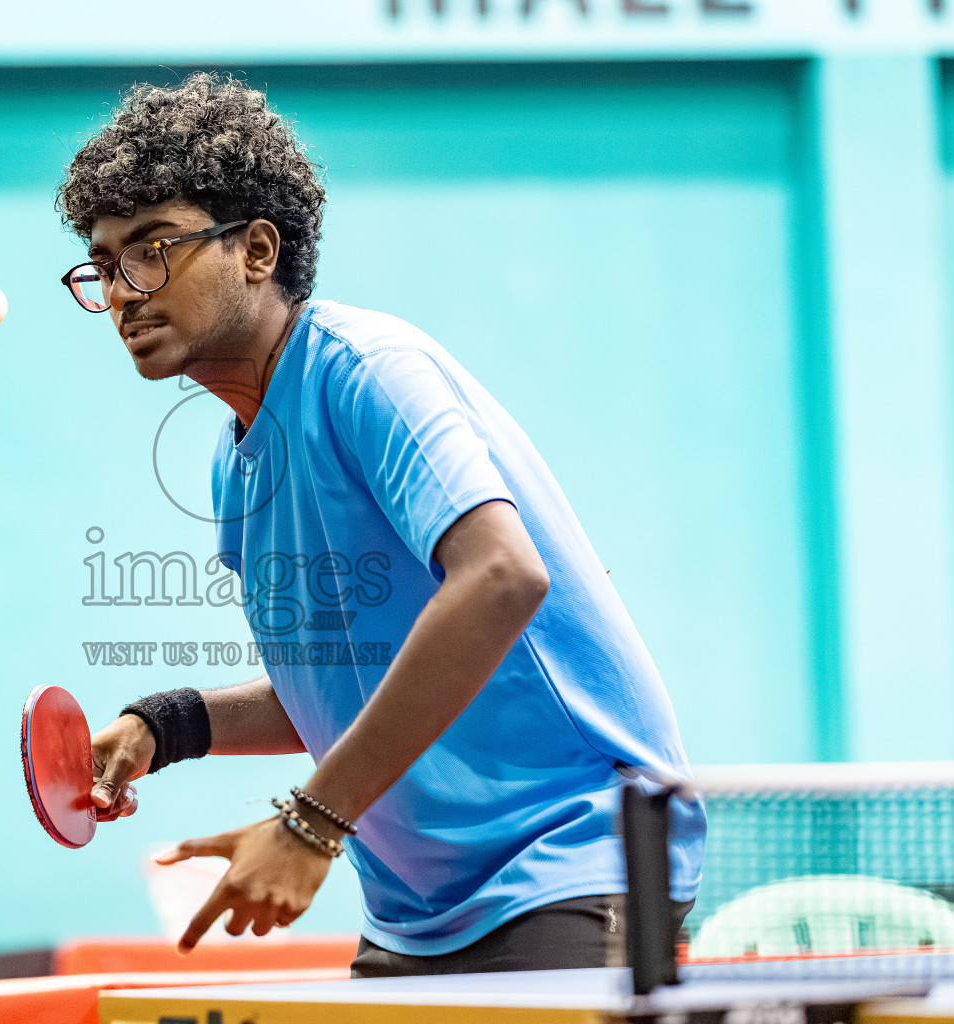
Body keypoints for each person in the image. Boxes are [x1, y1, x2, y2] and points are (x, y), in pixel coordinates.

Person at [53, 71, 705, 978]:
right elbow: (341, 679)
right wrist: (166, 726)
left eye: (153, 248)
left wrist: (310, 822)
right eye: (104, 264)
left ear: (257, 250)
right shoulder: (235, 461)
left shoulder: (368, 370)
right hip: (413, 912)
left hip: (568, 863)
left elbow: (502, 578)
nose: (124, 290)